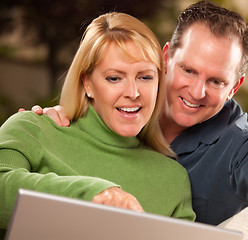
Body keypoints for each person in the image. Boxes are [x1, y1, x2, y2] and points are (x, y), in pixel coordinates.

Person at [26, 1, 248, 235]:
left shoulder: (239, 145)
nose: (197, 91)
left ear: (235, 87)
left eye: (216, 81)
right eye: (188, 70)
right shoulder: (127, 104)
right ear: (167, 57)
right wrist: (48, 124)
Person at [0, 12, 196, 231]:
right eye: (114, 78)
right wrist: (92, 195)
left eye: (145, 77)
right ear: (88, 84)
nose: (133, 92)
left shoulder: (173, 180)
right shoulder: (32, 129)